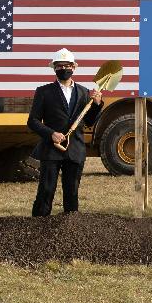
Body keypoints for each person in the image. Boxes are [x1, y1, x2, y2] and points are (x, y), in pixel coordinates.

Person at [26, 48, 102, 217]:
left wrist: (97, 104)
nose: (63, 69)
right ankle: (39, 226)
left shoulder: (83, 92)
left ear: (74, 67)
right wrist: (51, 133)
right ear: (54, 68)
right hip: (51, 149)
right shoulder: (44, 92)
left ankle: (70, 228)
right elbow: (32, 121)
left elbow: (89, 122)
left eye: (67, 66)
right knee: (46, 190)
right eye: (59, 66)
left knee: (72, 192)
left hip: (75, 149)